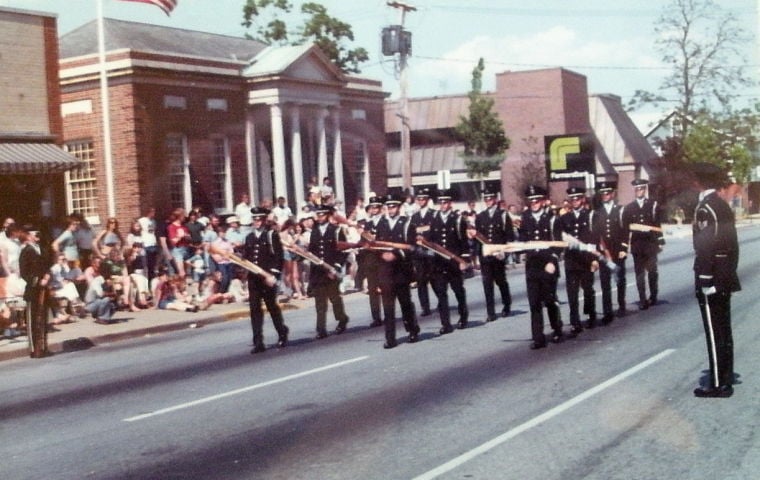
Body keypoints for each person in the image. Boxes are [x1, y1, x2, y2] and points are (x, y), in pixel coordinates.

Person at [690, 163, 741, 398]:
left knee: (713, 330)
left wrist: (706, 278)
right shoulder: (723, 206)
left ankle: (718, 384)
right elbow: (733, 245)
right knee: (724, 329)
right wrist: (728, 272)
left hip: (710, 276)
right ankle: (727, 374)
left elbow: (705, 246)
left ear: (698, 182)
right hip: (725, 275)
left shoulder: (705, 208)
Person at [519, 185, 564, 349]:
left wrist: (553, 260)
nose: (534, 203)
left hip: (548, 264)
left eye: (537, 200)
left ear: (543, 201)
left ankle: (557, 328)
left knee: (550, 300)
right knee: (534, 303)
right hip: (532, 265)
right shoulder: (525, 218)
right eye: (531, 201)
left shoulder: (552, 218)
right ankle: (538, 337)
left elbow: (558, 243)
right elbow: (523, 240)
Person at [374, 193, 420, 348]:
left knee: (405, 303)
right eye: (388, 207)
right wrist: (382, 254)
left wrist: (395, 255)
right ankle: (390, 338)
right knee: (388, 306)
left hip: (401, 270)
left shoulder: (407, 224)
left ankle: (412, 329)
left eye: (393, 206)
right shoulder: (381, 224)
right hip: (386, 271)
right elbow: (376, 246)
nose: (390, 209)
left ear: (399, 207)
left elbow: (412, 247)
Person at [243, 207, 290, 353]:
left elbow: (278, 257)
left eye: (259, 219)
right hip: (254, 279)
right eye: (254, 219)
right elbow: (247, 257)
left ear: (264, 220)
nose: (256, 222)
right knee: (254, 309)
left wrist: (274, 276)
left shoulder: (271, 235)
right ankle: (258, 341)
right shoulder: (249, 237)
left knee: (272, 307)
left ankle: (282, 331)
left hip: (267, 278)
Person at [428, 189, 470, 334]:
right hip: (439, 263)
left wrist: (464, 260)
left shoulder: (458, 219)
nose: (443, 205)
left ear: (450, 203)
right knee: (441, 293)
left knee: (458, 290)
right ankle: (446, 324)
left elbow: (463, 242)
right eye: (441, 202)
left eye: (446, 202)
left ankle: (463, 316)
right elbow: (432, 241)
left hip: (454, 262)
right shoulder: (434, 218)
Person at [470, 186, 514, 322]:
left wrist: (505, 253)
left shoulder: (502, 215)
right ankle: (491, 312)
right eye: (486, 199)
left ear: (495, 199)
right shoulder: (480, 216)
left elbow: (509, 236)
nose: (488, 201)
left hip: (498, 254)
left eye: (490, 199)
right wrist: (476, 256)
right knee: (487, 283)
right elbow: (478, 238)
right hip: (486, 255)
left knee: (501, 281)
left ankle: (506, 305)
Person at [308, 204, 349, 338]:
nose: (320, 217)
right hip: (318, 271)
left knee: (334, 298)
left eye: (322, 215)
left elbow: (343, 252)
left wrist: (336, 267)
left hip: (331, 270)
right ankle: (321, 329)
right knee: (320, 301)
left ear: (328, 215)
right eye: (318, 215)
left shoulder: (336, 230)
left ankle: (342, 319)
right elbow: (312, 251)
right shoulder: (314, 231)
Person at [558, 187, 596, 333]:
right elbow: (560, 237)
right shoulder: (564, 218)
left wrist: (593, 259)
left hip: (586, 259)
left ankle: (591, 314)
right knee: (572, 292)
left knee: (588, 289)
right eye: (572, 199)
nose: (575, 202)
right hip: (572, 259)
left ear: (582, 199)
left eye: (577, 199)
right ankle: (575, 321)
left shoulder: (590, 216)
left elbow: (593, 238)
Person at [622, 179, 664, 310]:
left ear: (644, 190)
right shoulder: (629, 208)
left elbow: (657, 224)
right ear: (634, 191)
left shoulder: (652, 205)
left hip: (650, 243)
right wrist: (624, 246)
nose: (639, 191)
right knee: (639, 273)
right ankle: (642, 299)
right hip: (637, 244)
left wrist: (660, 241)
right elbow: (625, 228)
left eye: (641, 189)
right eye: (636, 189)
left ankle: (653, 295)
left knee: (652, 271)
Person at [590, 181, 628, 322]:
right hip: (604, 252)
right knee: (605, 282)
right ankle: (607, 311)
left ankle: (621, 305)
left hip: (617, 251)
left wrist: (624, 248)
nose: (605, 196)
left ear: (612, 194)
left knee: (619, 279)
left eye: (607, 193)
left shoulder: (620, 210)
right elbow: (595, 234)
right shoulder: (596, 213)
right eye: (603, 193)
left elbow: (625, 230)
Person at [19, 227, 50, 357]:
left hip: (44, 289)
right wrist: (37, 281)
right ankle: (34, 349)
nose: (37, 236)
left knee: (43, 318)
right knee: (33, 319)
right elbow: (24, 272)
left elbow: (47, 266)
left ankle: (43, 346)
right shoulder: (26, 251)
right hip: (33, 289)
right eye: (34, 233)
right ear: (28, 236)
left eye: (38, 233)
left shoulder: (42, 249)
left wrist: (47, 276)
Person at [356, 195, 384, 327]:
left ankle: (389, 314)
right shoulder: (367, 224)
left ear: (381, 208)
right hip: (371, 260)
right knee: (372, 289)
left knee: (386, 288)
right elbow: (363, 242)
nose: (374, 209)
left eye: (377, 207)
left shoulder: (385, 222)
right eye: (372, 207)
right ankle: (376, 317)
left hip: (383, 259)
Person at [409, 188, 435, 317]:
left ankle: (441, 300)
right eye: (419, 199)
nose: (421, 201)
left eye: (423, 199)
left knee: (435, 278)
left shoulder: (433, 214)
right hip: (419, 253)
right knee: (421, 280)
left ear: (428, 200)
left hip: (431, 251)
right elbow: (411, 234)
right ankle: (425, 306)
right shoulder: (414, 217)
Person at [138, 207, 159, 283]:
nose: (153, 214)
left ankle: (151, 282)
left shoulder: (153, 221)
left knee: (152, 266)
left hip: (153, 244)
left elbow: (153, 232)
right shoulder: (142, 220)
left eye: (154, 212)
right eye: (152, 212)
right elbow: (138, 229)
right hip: (146, 244)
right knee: (145, 265)